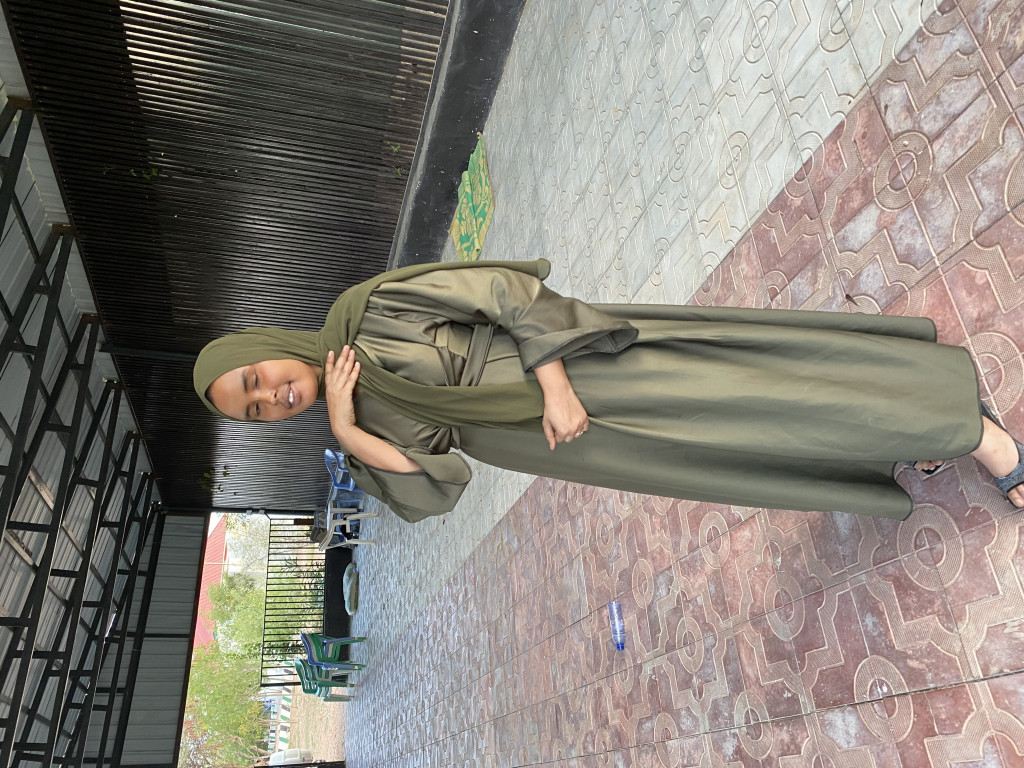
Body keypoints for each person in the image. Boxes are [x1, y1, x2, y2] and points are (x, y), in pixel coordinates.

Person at [192, 258, 1024, 523]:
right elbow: (438, 486)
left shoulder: (369, 310)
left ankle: (972, 430)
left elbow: (503, 291)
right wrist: (348, 428)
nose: (273, 396)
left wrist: (555, 385)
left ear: (262, 349)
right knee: (743, 439)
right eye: (256, 410)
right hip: (580, 441)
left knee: (752, 392)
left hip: (584, 375)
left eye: (257, 379)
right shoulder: (353, 424)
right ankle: (902, 429)